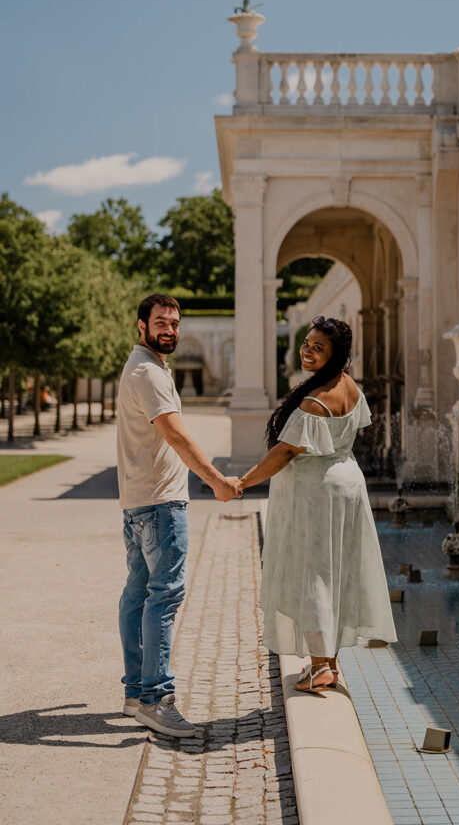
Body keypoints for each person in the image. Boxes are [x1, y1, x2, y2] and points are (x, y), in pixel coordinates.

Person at [229, 316, 396, 691]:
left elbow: (285, 452)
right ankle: (328, 662)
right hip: (345, 482)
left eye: (318, 348)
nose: (307, 351)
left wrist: (241, 482)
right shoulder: (349, 386)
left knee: (314, 573)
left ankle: (321, 664)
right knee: (335, 570)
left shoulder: (315, 401)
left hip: (318, 492)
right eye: (307, 343)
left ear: (336, 355)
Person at [117, 293, 240, 737]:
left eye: (174, 323)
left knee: (138, 595)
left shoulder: (145, 366)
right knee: (163, 597)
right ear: (141, 325)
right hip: (160, 503)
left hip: (137, 501)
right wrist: (217, 480)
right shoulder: (149, 372)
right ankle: (156, 698)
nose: (169, 329)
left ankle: (135, 693)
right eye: (160, 323)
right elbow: (176, 434)